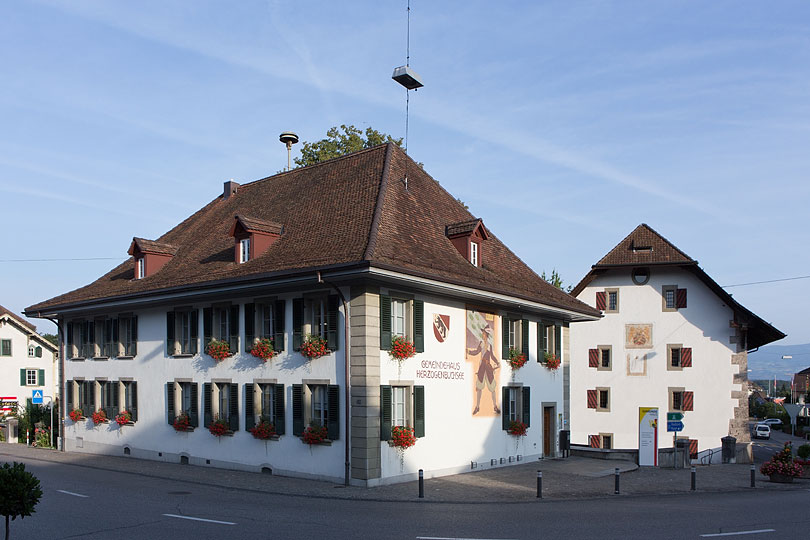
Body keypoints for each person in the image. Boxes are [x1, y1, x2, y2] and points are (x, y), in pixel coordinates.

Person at [467, 325, 500, 415]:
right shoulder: (481, 343)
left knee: (492, 388)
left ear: (486, 335)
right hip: (482, 368)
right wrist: (468, 351)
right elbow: (477, 352)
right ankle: (477, 407)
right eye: (482, 333)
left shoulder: (490, 345)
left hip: (488, 368)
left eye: (484, 333)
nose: (482, 334)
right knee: (479, 388)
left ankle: (495, 406)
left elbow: (492, 356)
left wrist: (497, 362)